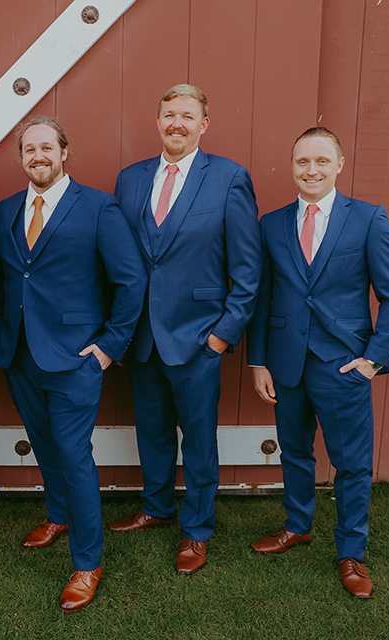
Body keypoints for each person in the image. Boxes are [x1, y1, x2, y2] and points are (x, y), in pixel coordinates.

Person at [0, 116, 146, 612]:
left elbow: (130, 281)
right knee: (45, 446)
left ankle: (87, 562)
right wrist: (1, 330)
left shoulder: (98, 207)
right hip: (20, 356)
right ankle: (59, 514)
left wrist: (108, 347)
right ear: (21, 157)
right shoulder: (8, 208)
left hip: (77, 360)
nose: (38, 156)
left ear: (64, 152)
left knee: (73, 455)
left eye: (47, 147)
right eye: (29, 149)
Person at [246, 127, 389, 598]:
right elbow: (263, 299)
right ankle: (297, 525)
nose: (311, 170)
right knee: (295, 452)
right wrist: (259, 361)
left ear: (339, 164)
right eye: (302, 162)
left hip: (343, 365)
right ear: (292, 166)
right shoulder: (271, 224)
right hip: (286, 365)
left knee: (352, 464)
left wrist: (373, 360)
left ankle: (350, 553)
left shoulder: (368, 219)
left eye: (321, 161)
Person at [110, 84, 262, 574]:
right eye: (169, 114)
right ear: (158, 121)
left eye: (187, 116)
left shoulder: (229, 178)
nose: (177, 123)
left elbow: (248, 269)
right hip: (142, 336)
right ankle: (156, 507)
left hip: (199, 337)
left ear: (203, 124)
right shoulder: (130, 180)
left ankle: (197, 529)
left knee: (198, 437)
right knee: (151, 429)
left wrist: (222, 334)